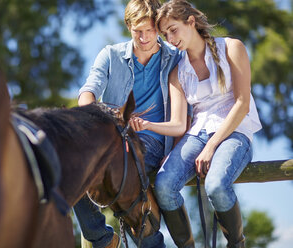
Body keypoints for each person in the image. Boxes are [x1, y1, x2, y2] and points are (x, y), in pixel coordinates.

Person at [129, 0, 262, 247]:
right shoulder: (177, 72)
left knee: (216, 186)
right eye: (165, 33)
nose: (170, 38)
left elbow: (242, 104)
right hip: (197, 134)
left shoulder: (232, 48)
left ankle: (237, 243)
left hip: (235, 132)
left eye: (173, 29)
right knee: (164, 186)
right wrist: (156, 135)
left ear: (191, 22)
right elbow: (180, 125)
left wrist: (211, 147)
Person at [76, 0, 187, 247]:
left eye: (151, 30)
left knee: (134, 201)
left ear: (158, 28)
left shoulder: (175, 58)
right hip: (116, 138)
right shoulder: (110, 55)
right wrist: (93, 114)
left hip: (154, 142)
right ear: (128, 26)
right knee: (75, 169)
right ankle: (102, 239)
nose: (145, 37)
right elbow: (88, 91)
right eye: (138, 31)